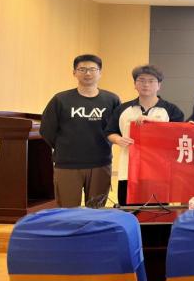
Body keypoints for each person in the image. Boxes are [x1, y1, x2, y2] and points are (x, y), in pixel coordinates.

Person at [39, 54, 120, 208]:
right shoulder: (61, 99)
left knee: (96, 210)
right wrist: (66, 146)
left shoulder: (111, 100)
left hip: (100, 163)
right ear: (74, 73)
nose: (87, 73)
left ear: (100, 73)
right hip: (67, 164)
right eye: (82, 69)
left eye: (92, 69)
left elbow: (117, 128)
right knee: (67, 211)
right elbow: (47, 130)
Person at [106, 64, 184, 206]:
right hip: (129, 169)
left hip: (159, 171)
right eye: (141, 80)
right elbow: (110, 131)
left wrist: (152, 121)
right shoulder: (123, 109)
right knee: (128, 210)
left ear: (159, 85)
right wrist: (118, 139)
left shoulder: (172, 110)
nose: (146, 84)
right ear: (135, 84)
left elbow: (178, 134)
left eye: (151, 81)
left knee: (157, 211)